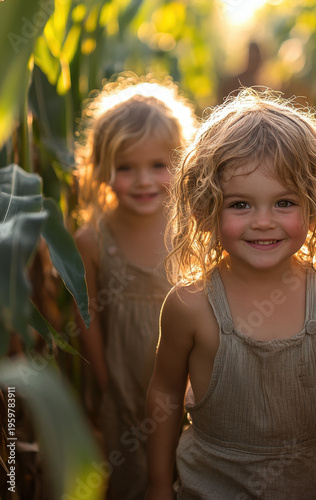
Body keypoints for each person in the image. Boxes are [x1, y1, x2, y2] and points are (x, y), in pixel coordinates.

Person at [146, 89, 316, 499]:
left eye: (284, 202)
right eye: (240, 205)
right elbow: (165, 391)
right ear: (205, 207)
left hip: (312, 480)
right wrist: (160, 485)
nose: (263, 222)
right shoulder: (190, 304)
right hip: (213, 481)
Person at [73, 72, 197, 500]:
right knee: (132, 477)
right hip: (126, 384)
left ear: (182, 162)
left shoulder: (191, 229)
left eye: (159, 165)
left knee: (188, 471)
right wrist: (107, 381)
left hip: (190, 383)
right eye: (126, 168)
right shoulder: (93, 240)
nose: (144, 180)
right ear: (102, 169)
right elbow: (85, 312)